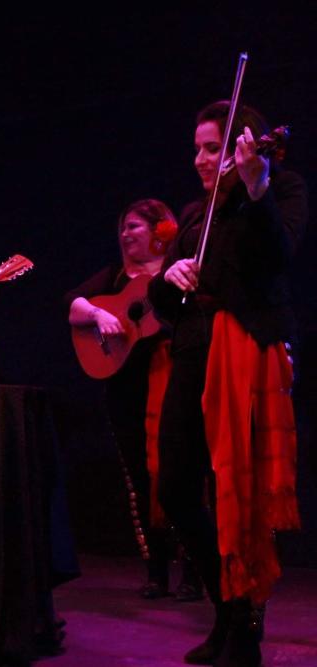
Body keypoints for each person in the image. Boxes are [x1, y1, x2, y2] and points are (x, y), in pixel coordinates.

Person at [148, 101, 307, 666]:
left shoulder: (277, 189)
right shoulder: (196, 214)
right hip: (193, 350)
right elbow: (164, 303)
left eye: (212, 148)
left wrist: (256, 187)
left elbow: (278, 255)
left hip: (244, 347)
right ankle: (226, 607)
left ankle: (245, 625)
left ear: (243, 145)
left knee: (239, 490)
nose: (200, 159)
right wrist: (167, 277)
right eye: (197, 148)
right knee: (176, 489)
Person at [66, 199, 202, 601]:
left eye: (136, 227)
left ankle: (193, 572)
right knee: (140, 481)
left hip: (172, 380)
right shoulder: (114, 276)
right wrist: (96, 315)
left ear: (161, 232)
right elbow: (71, 302)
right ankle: (157, 572)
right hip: (126, 387)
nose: (126, 234)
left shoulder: (177, 272)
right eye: (124, 227)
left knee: (180, 475)